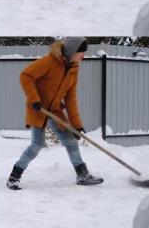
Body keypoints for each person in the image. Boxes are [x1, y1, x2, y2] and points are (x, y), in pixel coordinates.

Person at [6, 37, 104, 190]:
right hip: (38, 108)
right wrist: (34, 98)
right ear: (72, 51)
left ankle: (82, 175)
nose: (83, 56)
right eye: (81, 52)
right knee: (37, 145)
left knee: (71, 141)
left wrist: (77, 126)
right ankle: (14, 177)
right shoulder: (49, 61)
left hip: (55, 110)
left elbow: (70, 98)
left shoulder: (73, 68)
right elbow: (26, 75)